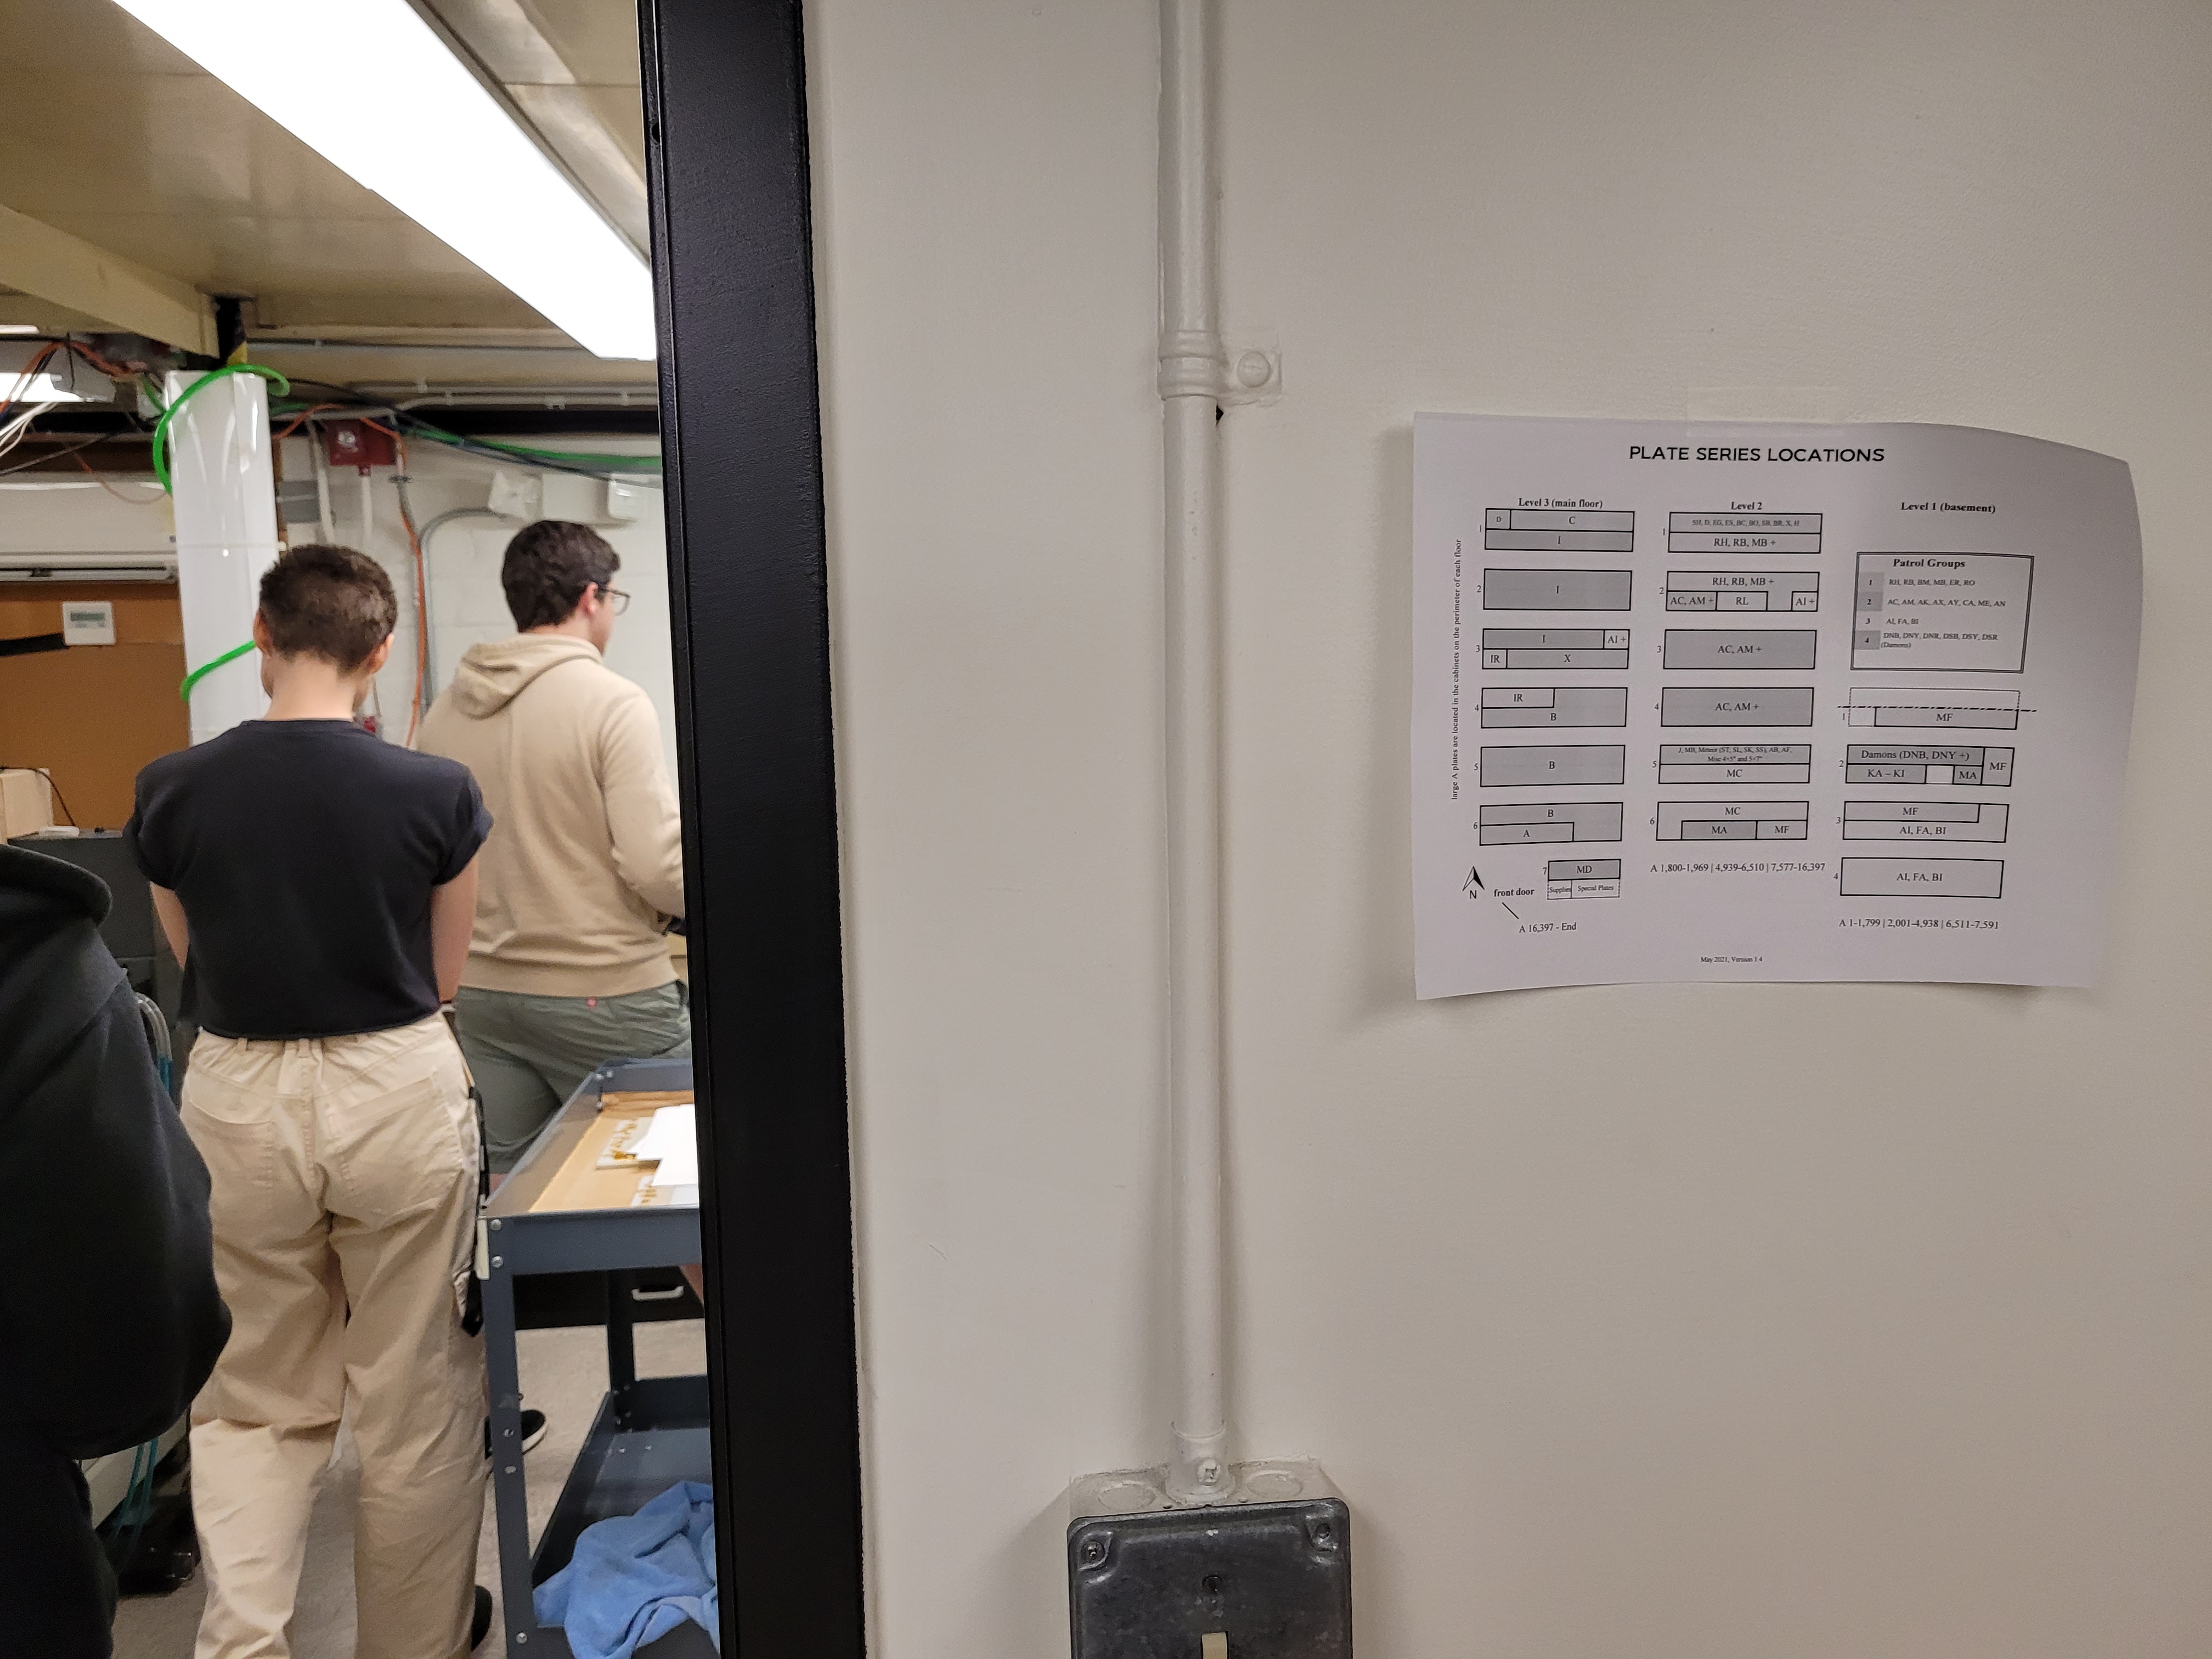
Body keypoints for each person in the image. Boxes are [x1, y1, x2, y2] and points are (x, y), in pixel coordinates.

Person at [128, 544, 494, 1659]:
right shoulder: (438, 790)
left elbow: (190, 958)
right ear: (380, 653)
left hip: (240, 1091)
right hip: (395, 1082)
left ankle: (243, 1643)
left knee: (252, 1397)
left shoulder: (170, 786)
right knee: (414, 1394)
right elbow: (444, 976)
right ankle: (413, 1643)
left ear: (261, 635)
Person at [0, 842, 230, 1659]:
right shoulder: (30, 957)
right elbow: (132, 1312)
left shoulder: (174, 796)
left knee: (262, 1414)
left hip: (246, 1072)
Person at [419, 520, 687, 1175]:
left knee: (522, 1195)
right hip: (604, 988)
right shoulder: (613, 702)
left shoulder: (445, 712)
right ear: (592, 597)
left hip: (484, 995)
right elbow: (656, 865)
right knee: (668, 1178)